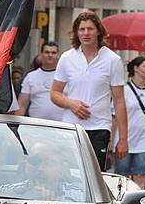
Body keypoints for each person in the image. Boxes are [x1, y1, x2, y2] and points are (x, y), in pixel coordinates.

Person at [51, 11, 129, 170]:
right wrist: (71, 104)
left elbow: (119, 101)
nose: (86, 33)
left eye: (90, 29)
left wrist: (123, 139)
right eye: (82, 29)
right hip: (71, 127)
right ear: (76, 33)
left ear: (98, 31)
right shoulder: (67, 58)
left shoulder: (112, 60)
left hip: (100, 127)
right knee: (71, 173)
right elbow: (54, 93)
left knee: (95, 173)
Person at [114, 56, 145, 188]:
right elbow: (114, 116)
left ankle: (138, 199)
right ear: (136, 68)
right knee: (122, 176)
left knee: (141, 174)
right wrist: (111, 139)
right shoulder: (123, 90)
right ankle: (123, 200)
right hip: (124, 138)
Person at [0, 141, 86, 202]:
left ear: (62, 168)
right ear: (25, 164)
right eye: (35, 160)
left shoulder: (81, 196)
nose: (41, 168)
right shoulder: (3, 193)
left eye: (49, 162)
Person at [18, 41, 65, 120]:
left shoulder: (65, 76)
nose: (50, 55)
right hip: (36, 125)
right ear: (41, 54)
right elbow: (22, 105)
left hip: (62, 124)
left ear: (58, 55)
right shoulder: (30, 77)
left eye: (53, 53)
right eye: (47, 52)